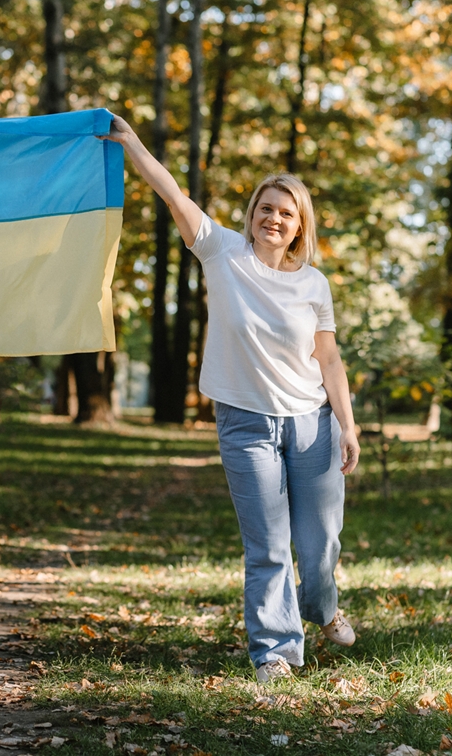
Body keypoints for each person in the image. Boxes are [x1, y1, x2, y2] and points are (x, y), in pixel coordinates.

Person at [105, 115, 360, 684]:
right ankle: (275, 651)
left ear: (300, 227)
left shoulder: (313, 284)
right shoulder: (222, 252)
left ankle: (321, 608)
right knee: (268, 545)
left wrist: (347, 424)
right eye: (265, 208)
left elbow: (329, 360)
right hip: (246, 425)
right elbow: (173, 193)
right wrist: (132, 144)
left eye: (286, 212)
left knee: (319, 549)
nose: (274, 218)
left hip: (312, 425)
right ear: (252, 215)